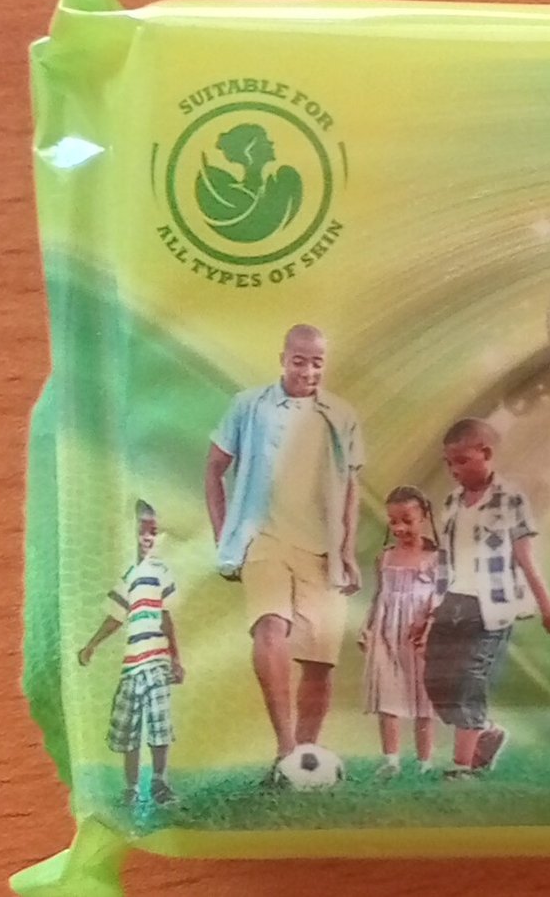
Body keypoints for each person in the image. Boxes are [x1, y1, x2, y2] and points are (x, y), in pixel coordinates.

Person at [204, 323, 365, 778]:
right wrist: (225, 535)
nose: (308, 371)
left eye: (317, 363)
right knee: (270, 627)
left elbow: (351, 486)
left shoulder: (341, 415)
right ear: (282, 359)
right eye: (299, 361)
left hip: (322, 549)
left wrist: (348, 550)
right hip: (264, 539)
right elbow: (214, 468)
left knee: (320, 661)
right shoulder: (248, 405)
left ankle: (303, 762)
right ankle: (285, 748)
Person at [421, 418, 550, 780]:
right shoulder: (452, 502)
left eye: (462, 461)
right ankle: (485, 731)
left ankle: (462, 768)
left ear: (485, 454)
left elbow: (525, 557)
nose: (454, 470)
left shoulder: (510, 499)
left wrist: (549, 611)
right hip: (452, 602)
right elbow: (444, 560)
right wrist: (428, 610)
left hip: (490, 608)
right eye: (449, 463)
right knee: (436, 681)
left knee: (469, 680)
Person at [78, 500, 185, 806]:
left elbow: (166, 617)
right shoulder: (128, 576)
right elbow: (115, 617)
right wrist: (92, 644)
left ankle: (160, 781)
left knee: (159, 723)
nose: (148, 538)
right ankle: (131, 787)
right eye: (142, 531)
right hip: (132, 666)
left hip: (156, 661)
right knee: (128, 727)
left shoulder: (160, 571)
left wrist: (175, 659)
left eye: (153, 532)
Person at [360, 486, 442, 778]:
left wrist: (431, 627)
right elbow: (379, 596)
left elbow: (440, 598)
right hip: (386, 632)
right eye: (393, 521)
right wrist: (367, 626)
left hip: (420, 634)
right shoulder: (385, 558)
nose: (399, 528)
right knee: (388, 695)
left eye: (407, 520)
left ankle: (424, 762)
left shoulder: (435, 558)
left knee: (424, 698)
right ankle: (391, 760)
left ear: (424, 517)